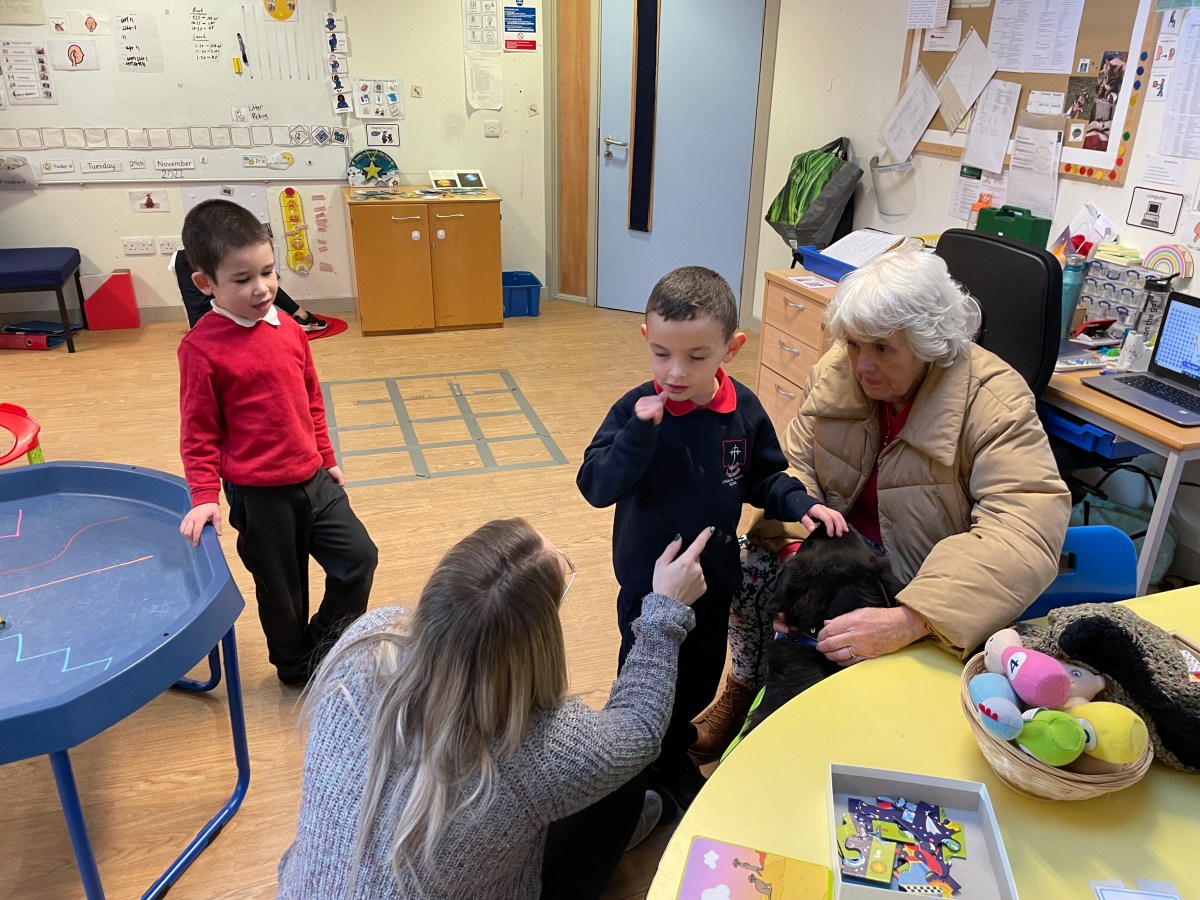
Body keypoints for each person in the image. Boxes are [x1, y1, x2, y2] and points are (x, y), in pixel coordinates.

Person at [691, 250, 1072, 759]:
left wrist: (916, 616)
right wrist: (797, 565)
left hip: (915, 575)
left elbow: (1024, 530)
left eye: (883, 349)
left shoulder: (993, 400)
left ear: (929, 343)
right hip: (830, 550)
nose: (862, 365)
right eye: (853, 344)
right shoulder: (837, 370)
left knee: (866, 713)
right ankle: (743, 684)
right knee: (748, 566)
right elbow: (794, 466)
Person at [277, 519, 711, 899]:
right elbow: (640, 727)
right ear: (537, 639)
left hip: (302, 887)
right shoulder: (541, 750)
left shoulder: (366, 640)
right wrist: (665, 611)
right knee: (622, 787)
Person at [577, 266, 847, 814]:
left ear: (732, 348)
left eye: (697, 357)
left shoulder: (742, 411)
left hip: (713, 585)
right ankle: (636, 770)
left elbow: (765, 478)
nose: (675, 372)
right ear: (646, 339)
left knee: (699, 680)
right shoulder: (634, 411)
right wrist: (637, 437)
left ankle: (673, 755)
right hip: (647, 590)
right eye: (661, 354)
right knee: (645, 679)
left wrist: (801, 504)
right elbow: (596, 487)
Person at [177, 199, 377, 685]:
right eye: (242, 279)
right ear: (206, 284)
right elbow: (198, 431)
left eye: (268, 272)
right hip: (259, 495)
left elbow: (311, 399)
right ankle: (293, 666)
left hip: (313, 478)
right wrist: (204, 495)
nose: (262, 288)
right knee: (283, 593)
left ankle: (326, 647)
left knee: (358, 558)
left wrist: (326, 457)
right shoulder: (201, 349)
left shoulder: (288, 328)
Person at [173, 247, 328, 332]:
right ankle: (300, 314)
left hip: (204, 325)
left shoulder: (180, 258)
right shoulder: (230, 255)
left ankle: (299, 314)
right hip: (230, 327)